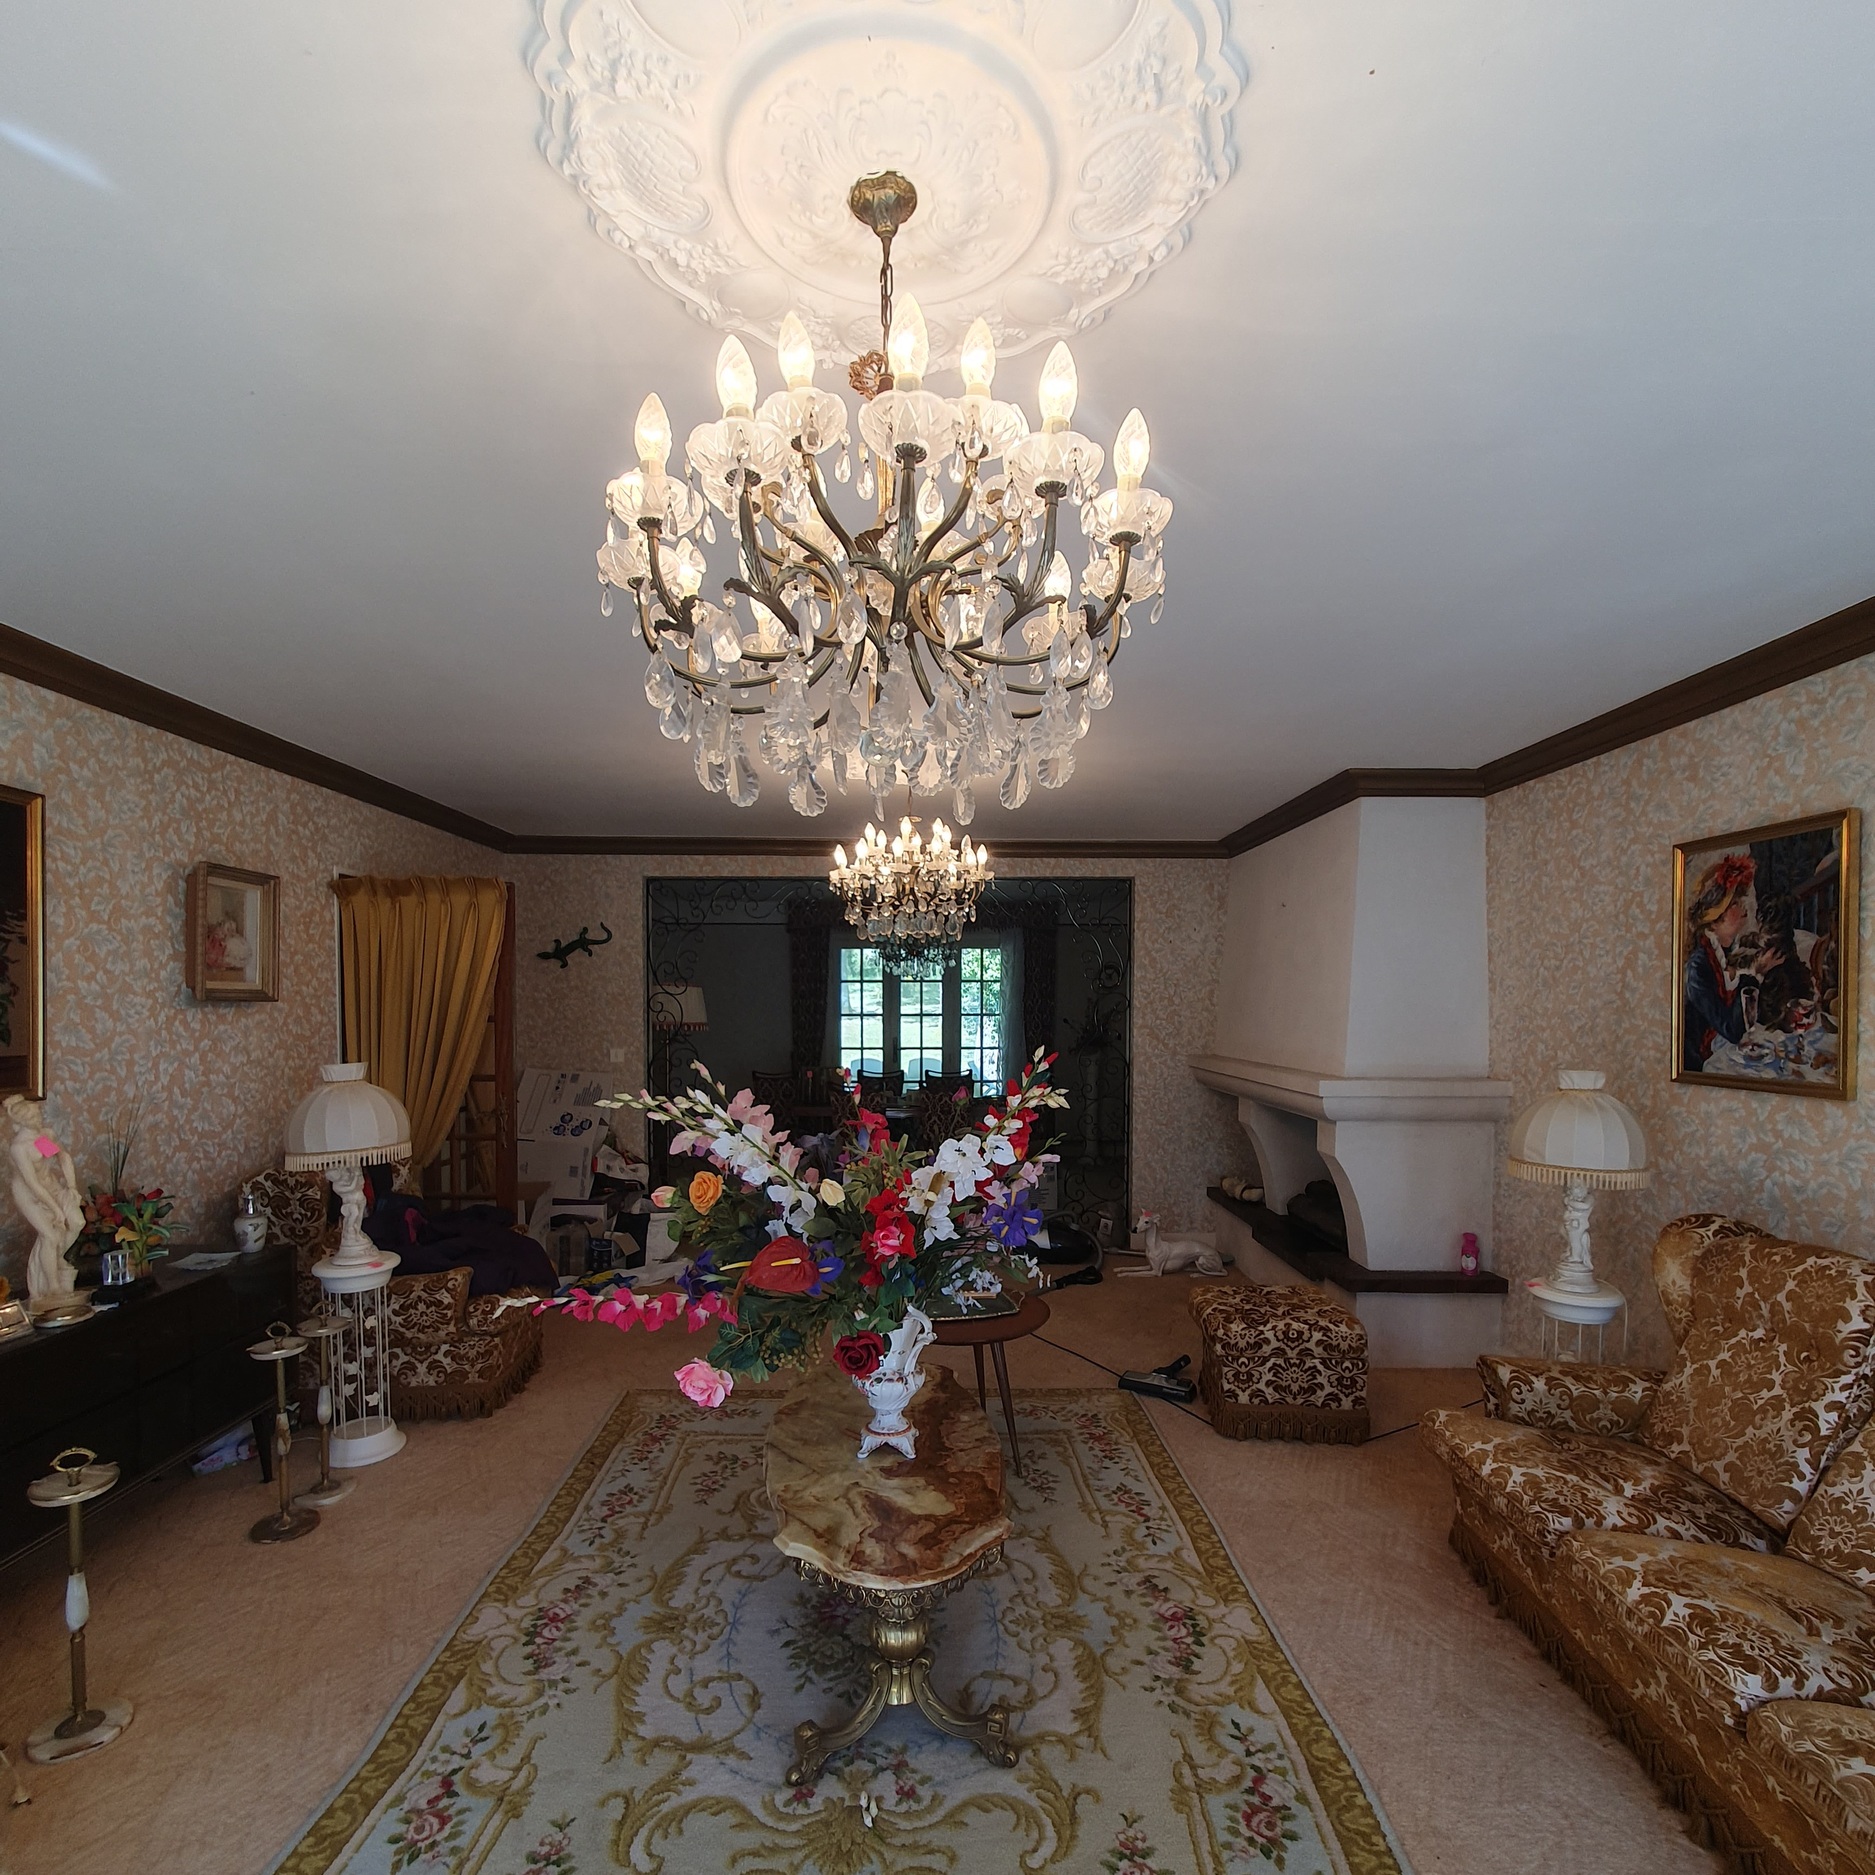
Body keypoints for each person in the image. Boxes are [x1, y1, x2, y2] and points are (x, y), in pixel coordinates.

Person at [1682, 854, 1784, 1072]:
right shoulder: (1698, 968)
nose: (1743, 906)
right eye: (1734, 904)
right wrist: (1757, 974)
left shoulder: (1729, 952)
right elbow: (1732, 1029)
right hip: (1703, 1063)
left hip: (1729, 1049)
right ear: (1715, 919)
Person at [5, 1094, 85, 1314]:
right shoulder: (19, 1148)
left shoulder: (41, 1138)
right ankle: (52, 1286)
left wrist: (72, 1187)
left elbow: (63, 1158)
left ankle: (55, 1258)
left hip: (51, 1187)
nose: (38, 1119)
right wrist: (56, 1209)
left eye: (38, 1115)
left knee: (77, 1222)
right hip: (29, 1195)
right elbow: (33, 1184)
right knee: (49, 1236)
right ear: (22, 1121)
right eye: (33, 1117)